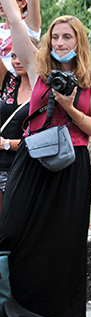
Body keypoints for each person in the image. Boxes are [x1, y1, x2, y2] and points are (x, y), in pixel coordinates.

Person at [0, 0, 91, 317]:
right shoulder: (37, 67)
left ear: (79, 40)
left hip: (72, 162)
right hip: (32, 159)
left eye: (68, 37)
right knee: (11, 228)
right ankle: (10, 307)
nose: (61, 42)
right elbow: (15, 19)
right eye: (56, 36)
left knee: (62, 240)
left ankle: (51, 312)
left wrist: (71, 106)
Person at [0, 46, 36, 212]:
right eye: (13, 56)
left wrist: (6, 143)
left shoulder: (42, 91)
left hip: (22, 168)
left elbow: (40, 140)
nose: (16, 61)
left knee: (12, 225)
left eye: (22, 55)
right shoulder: (9, 82)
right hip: (1, 165)